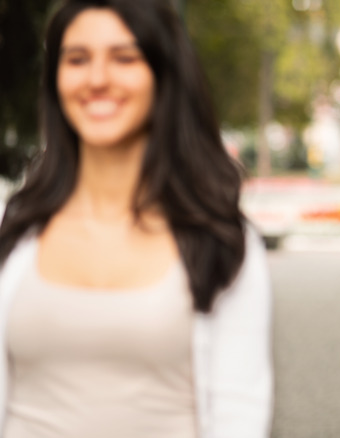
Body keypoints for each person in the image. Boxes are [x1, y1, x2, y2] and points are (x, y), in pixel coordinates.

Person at [0, 0, 273, 436]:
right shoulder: (14, 230)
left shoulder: (220, 241)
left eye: (124, 58)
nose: (97, 79)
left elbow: (239, 416)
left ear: (164, 75)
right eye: (77, 59)